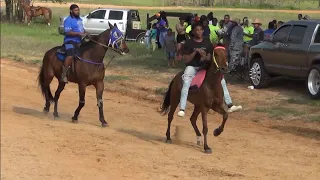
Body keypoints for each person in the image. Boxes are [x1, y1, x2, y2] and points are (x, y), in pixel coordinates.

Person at [177, 22, 213, 117]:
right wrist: (195, 52)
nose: (199, 32)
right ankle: (182, 108)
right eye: (197, 30)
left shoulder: (207, 41)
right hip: (192, 67)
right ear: (193, 32)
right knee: (186, 83)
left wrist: (204, 57)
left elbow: (209, 57)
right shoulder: (189, 43)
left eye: (201, 30)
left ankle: (228, 103)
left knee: (220, 79)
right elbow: (186, 59)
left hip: (204, 67)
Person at [61, 4, 87, 83]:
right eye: (76, 10)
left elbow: (81, 29)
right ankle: (63, 75)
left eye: (78, 10)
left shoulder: (79, 19)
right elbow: (67, 32)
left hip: (79, 41)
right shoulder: (68, 20)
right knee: (70, 55)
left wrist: (86, 33)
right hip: (69, 41)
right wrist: (79, 34)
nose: (77, 12)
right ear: (71, 11)